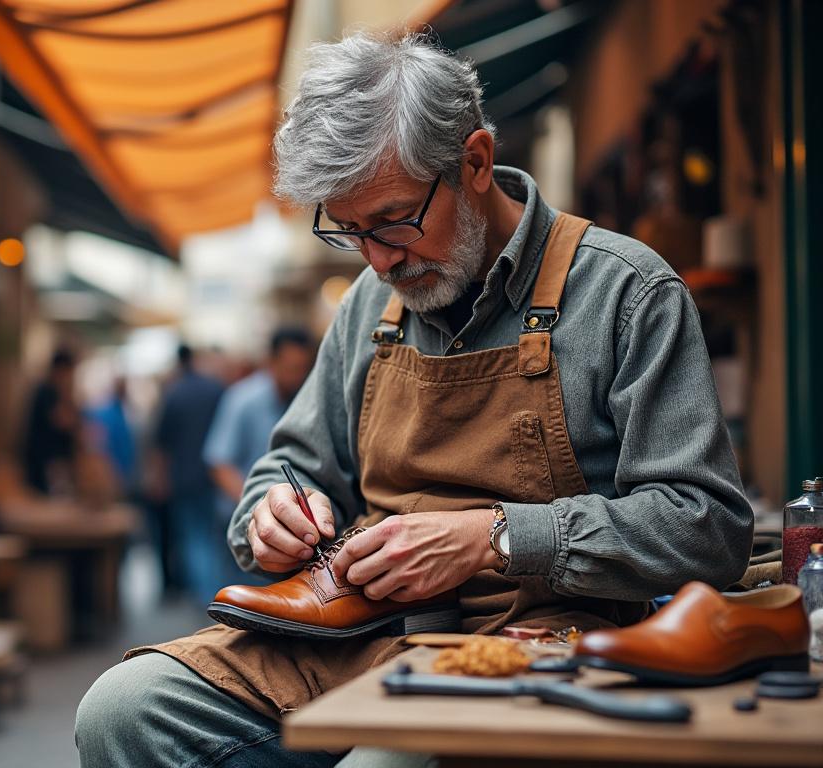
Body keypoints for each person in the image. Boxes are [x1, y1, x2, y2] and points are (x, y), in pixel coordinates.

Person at [77, 32, 751, 767]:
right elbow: (293, 465)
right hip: (358, 634)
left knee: (385, 761)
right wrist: (270, 511)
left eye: (395, 219)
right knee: (122, 711)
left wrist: (493, 534)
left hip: (539, 642)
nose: (379, 259)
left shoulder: (626, 294)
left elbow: (707, 528)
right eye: (351, 230)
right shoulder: (370, 304)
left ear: (476, 161)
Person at [203, 327, 316, 586]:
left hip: (289, 526)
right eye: (291, 367)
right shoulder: (242, 400)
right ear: (272, 362)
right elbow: (219, 463)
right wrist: (256, 504)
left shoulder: (304, 399)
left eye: (303, 368)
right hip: (241, 520)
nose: (297, 376)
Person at [151, 344, 226, 603]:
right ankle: (216, 593)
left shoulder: (174, 394)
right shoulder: (215, 389)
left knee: (193, 538)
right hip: (212, 475)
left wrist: (159, 478)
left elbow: (161, 443)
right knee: (211, 537)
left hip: (182, 477)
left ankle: (206, 596)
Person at [21, 349, 80, 495]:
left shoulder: (48, 391)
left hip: (50, 461)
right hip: (45, 461)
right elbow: (64, 421)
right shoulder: (46, 391)